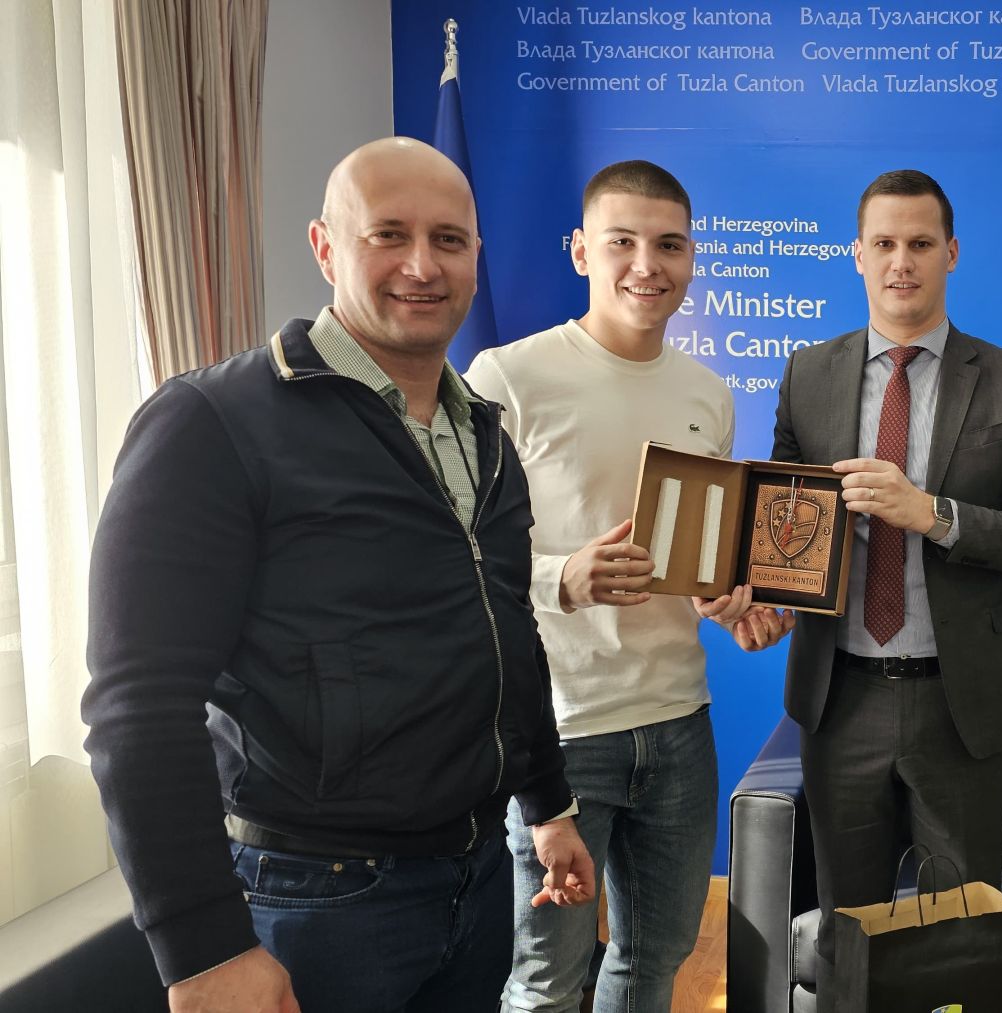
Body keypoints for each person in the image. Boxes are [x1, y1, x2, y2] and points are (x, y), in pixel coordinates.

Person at [82, 137, 596, 1013]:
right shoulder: (212, 421)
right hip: (313, 900)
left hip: (475, 880)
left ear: (477, 256)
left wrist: (548, 805)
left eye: (449, 239)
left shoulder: (484, 434)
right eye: (388, 235)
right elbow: (138, 702)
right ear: (325, 248)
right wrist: (202, 949)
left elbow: (507, 631)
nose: (422, 266)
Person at [465, 160, 794, 1013]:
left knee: (655, 961)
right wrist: (561, 577)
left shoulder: (707, 394)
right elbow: (455, 557)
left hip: (679, 721)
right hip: (560, 731)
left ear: (692, 257)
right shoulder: (506, 378)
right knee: (546, 979)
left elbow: (698, 561)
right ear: (582, 251)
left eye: (669, 245)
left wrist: (733, 603)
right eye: (623, 242)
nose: (648, 265)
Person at [768, 169, 1002, 1009]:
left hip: (960, 703)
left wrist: (931, 512)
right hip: (841, 697)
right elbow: (783, 530)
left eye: (919, 243)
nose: (900, 261)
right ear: (857, 255)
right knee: (848, 928)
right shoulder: (808, 374)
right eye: (884, 243)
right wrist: (754, 595)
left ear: (952, 253)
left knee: (959, 937)